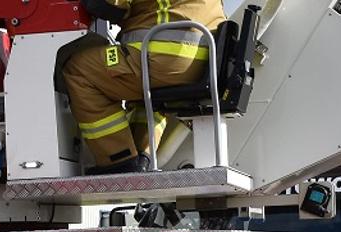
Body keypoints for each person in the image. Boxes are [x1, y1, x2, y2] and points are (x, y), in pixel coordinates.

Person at [62, 0, 226, 174]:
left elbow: (108, 4)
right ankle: (141, 156)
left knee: (79, 70)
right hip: (201, 64)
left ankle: (118, 160)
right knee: (141, 92)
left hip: (163, 57)